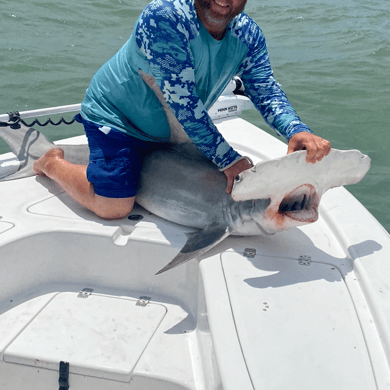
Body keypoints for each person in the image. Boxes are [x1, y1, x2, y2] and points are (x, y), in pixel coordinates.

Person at [33, 0, 331, 220]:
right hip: (116, 117)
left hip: (171, 127)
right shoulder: (165, 18)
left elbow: (263, 87)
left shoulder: (248, 35)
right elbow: (183, 102)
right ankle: (50, 162)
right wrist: (228, 160)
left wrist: (296, 129)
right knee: (114, 206)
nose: (224, 1)